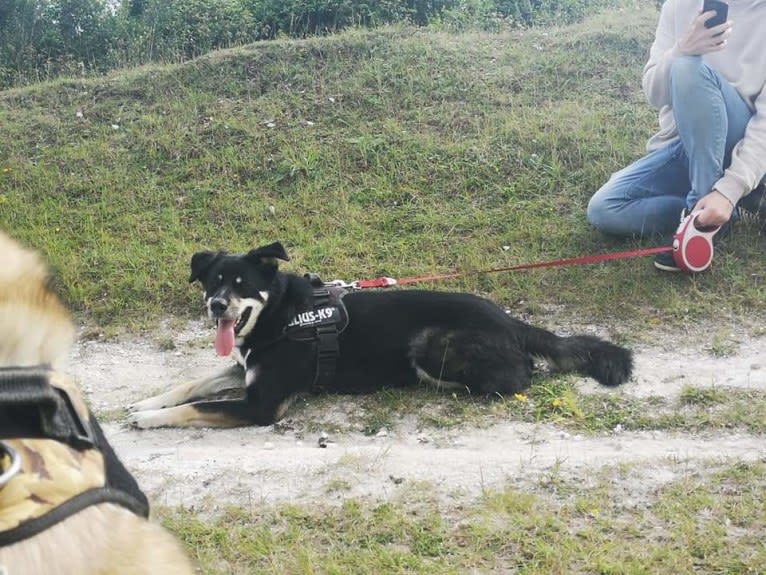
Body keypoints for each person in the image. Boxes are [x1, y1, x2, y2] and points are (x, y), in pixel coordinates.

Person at [587, 0, 766, 271]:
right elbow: (655, 94)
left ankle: (706, 221)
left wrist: (730, 191)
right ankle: (707, 215)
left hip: (737, 142)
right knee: (604, 210)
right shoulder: (679, 5)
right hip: (683, 145)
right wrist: (681, 49)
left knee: (688, 69)